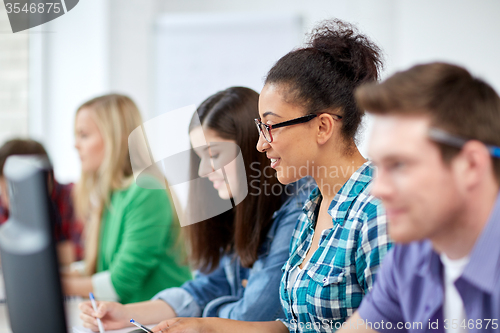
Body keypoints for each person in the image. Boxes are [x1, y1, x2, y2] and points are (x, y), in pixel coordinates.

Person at [152, 19, 392, 333]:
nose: (260, 144)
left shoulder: (378, 209)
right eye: (260, 127)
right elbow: (296, 327)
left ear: (322, 127)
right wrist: (203, 326)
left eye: (271, 126)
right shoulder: (312, 206)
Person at [78, 87, 315, 331]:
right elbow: (206, 286)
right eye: (200, 156)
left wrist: (203, 317)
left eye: (213, 154)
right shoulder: (236, 206)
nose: (203, 170)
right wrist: (126, 313)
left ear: (249, 151)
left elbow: (252, 314)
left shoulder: (297, 209)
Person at [336, 63, 500, 333]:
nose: (377, 190)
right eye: (378, 167)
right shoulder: (412, 253)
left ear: (471, 165)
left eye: (399, 165)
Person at [62, 94, 192, 304]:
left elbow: (119, 284)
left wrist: (54, 283)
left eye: (84, 135)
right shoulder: (113, 193)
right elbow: (101, 267)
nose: (76, 145)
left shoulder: (147, 190)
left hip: (155, 324)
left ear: (115, 137)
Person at [0, 138, 83, 264]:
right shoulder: (4, 205)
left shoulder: (74, 197)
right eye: (4, 192)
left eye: (11, 192)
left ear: (46, 179)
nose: (7, 201)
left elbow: (81, 252)